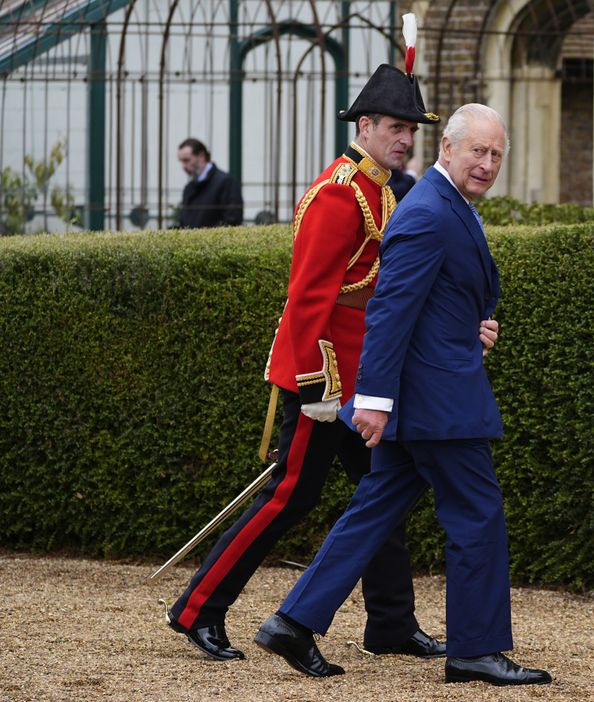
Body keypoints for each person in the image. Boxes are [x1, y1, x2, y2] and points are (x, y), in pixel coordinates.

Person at [166, 65, 498, 665]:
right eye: (394, 127)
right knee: (290, 497)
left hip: (367, 380)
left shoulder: (386, 191)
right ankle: (199, 610)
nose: (404, 139)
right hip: (323, 381)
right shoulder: (339, 192)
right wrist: (316, 385)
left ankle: (392, 624)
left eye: (411, 129)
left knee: (383, 497)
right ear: (364, 126)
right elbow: (307, 297)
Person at [253, 103, 552, 687]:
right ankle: (476, 649)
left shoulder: (444, 206)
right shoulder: (428, 213)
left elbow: (432, 302)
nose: (487, 164)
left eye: (496, 154)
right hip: (437, 405)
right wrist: (375, 400)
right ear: (447, 150)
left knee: (374, 510)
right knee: (478, 516)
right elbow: (388, 311)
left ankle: (293, 621)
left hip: (428, 395)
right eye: (477, 151)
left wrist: (471, 327)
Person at [176, 138, 243, 228]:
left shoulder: (225, 182)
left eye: (187, 160)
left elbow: (232, 220)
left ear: (201, 156)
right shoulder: (189, 188)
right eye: (181, 161)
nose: (183, 166)